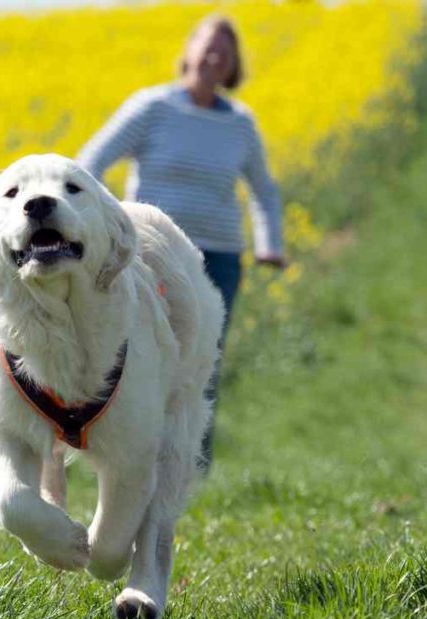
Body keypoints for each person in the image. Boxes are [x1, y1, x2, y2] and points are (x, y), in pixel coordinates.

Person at [76, 14, 285, 470]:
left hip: (219, 258)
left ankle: (191, 465)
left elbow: (264, 190)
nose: (214, 58)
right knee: (143, 350)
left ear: (232, 67)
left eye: (224, 54)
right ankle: (134, 454)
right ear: (189, 51)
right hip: (153, 255)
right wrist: (103, 229)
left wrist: (270, 243)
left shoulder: (240, 125)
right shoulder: (152, 108)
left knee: (203, 356)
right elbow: (90, 163)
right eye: (208, 47)